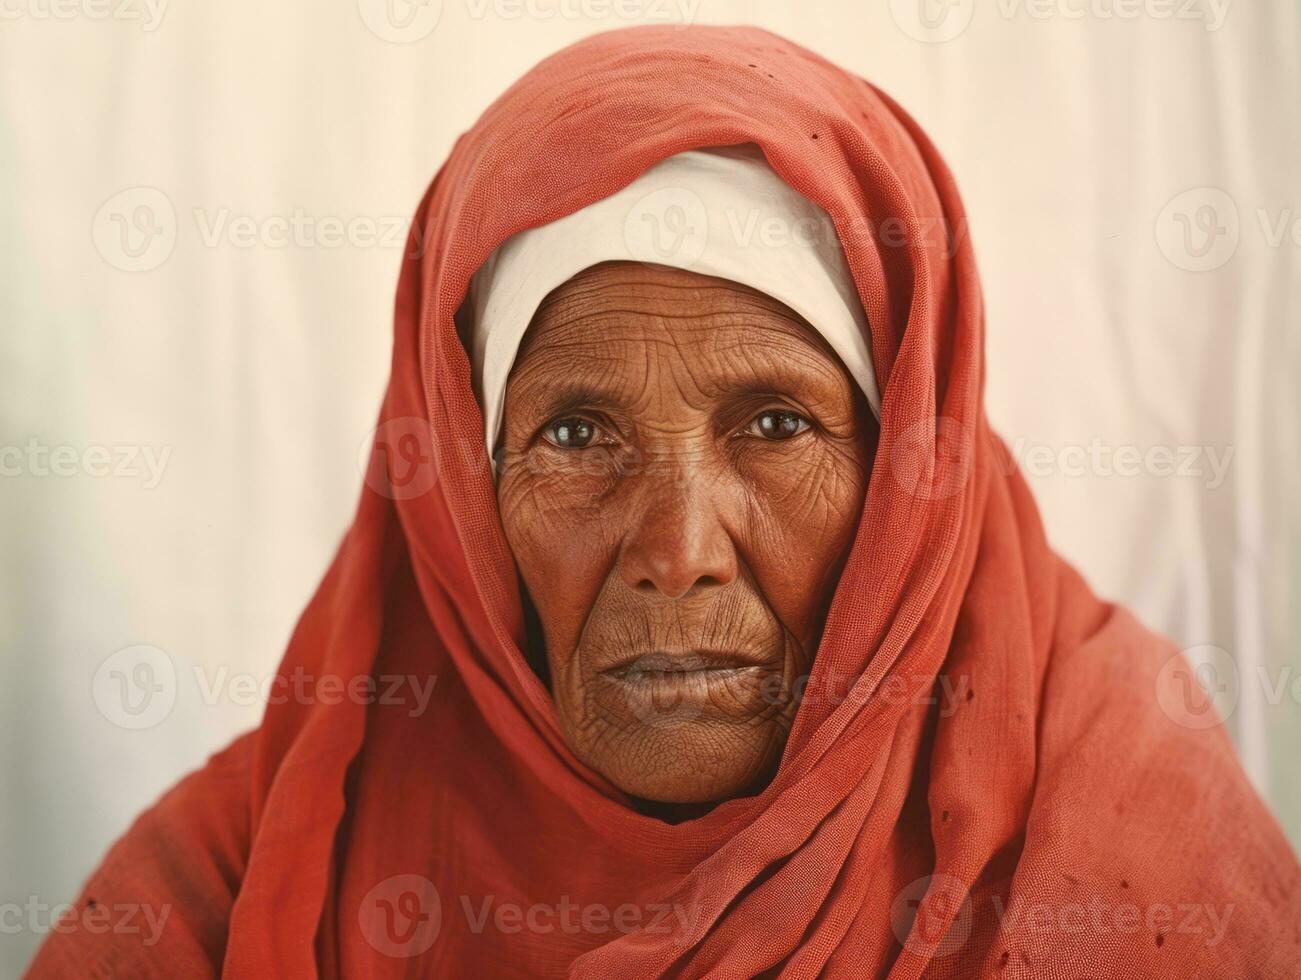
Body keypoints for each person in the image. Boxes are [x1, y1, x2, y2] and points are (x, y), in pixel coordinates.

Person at [29, 23, 1300, 978]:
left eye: (777, 423)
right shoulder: (242, 877)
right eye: (575, 433)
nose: (677, 552)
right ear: (463, 498)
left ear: (908, 474)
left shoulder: (1126, 838)